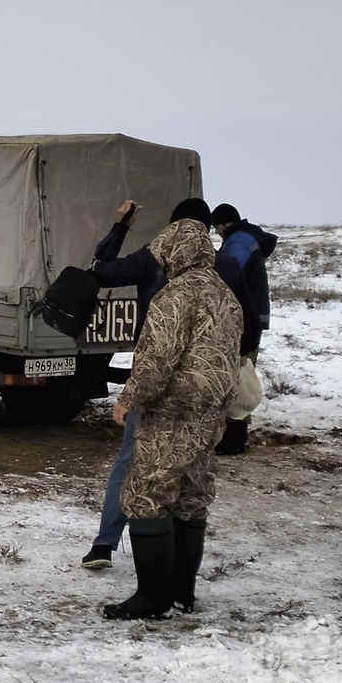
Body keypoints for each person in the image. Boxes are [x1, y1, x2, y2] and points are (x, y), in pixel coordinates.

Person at [103, 214, 242, 620]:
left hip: (172, 411)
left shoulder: (174, 296)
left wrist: (129, 398)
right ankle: (183, 591)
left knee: (145, 495)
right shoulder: (224, 294)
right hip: (211, 413)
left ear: (171, 251)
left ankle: (153, 597)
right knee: (190, 498)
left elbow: (157, 360)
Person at [81, 196, 214, 569]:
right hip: (203, 385)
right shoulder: (221, 270)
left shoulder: (152, 258)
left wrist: (120, 225)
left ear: (172, 227)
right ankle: (179, 567)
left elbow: (100, 269)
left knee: (131, 462)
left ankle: (104, 545)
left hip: (154, 377)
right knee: (189, 470)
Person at [208, 203, 277, 456]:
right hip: (251, 316)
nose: (216, 232)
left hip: (242, 319)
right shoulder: (246, 237)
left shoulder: (238, 241)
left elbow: (225, 272)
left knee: (236, 377)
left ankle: (235, 438)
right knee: (239, 374)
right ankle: (234, 435)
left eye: (217, 226)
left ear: (227, 223)